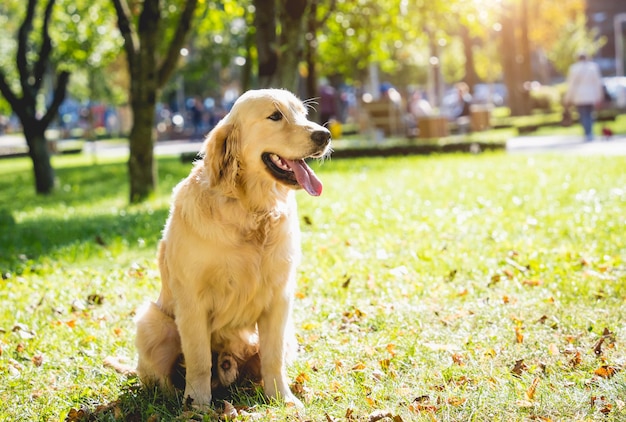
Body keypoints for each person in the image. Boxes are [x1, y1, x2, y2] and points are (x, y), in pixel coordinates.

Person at [564, 52, 604, 141]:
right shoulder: (593, 67)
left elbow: (571, 85)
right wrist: (599, 96)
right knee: (590, 114)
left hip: (579, 96)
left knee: (583, 115)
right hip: (591, 95)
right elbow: (598, 83)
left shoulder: (574, 68)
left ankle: (587, 133)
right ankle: (590, 132)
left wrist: (567, 98)